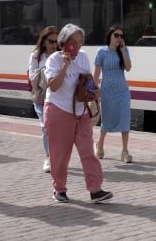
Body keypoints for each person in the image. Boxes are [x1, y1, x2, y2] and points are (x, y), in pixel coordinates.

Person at [44, 23, 113, 204]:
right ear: (63, 43)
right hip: (58, 110)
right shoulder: (54, 60)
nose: (77, 46)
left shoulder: (82, 57)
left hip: (80, 111)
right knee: (60, 154)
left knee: (87, 151)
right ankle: (59, 189)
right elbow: (53, 85)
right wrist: (64, 66)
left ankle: (95, 189)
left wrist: (94, 90)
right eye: (72, 42)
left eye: (80, 41)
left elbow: (87, 79)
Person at [94, 25, 132, 163]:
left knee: (124, 119)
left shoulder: (124, 50)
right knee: (107, 119)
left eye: (121, 36)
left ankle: (125, 151)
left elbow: (128, 68)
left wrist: (123, 52)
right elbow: (96, 74)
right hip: (107, 91)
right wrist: (94, 91)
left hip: (122, 91)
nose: (119, 38)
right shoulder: (101, 52)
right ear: (110, 36)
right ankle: (100, 144)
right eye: (116, 35)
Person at [28, 26, 59, 173]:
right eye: (51, 41)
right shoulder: (36, 56)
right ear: (44, 41)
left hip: (56, 97)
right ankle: (48, 157)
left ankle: (56, 156)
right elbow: (32, 76)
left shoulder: (60, 55)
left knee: (56, 129)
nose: (54, 45)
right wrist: (48, 72)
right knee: (45, 127)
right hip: (41, 96)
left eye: (56, 42)